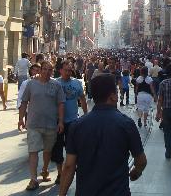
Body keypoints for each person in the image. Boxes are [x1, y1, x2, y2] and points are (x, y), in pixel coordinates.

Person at [58, 74, 147, 196]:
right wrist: (136, 172)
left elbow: (69, 166)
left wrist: (61, 194)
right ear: (112, 97)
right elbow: (141, 161)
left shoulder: (77, 125)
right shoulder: (126, 124)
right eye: (116, 91)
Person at [18, 61, 65, 191]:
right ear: (40, 70)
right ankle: (33, 179)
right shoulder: (31, 84)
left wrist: (61, 121)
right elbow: (24, 101)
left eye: (50, 70)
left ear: (52, 71)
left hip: (50, 124)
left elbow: (61, 103)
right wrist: (21, 119)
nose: (46, 72)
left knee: (47, 151)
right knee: (33, 151)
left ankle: (44, 170)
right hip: (33, 124)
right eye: (44, 69)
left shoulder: (56, 85)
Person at [51, 60, 88, 184]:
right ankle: (60, 173)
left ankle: (70, 169)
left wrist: (86, 114)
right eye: (65, 70)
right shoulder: (55, 83)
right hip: (57, 121)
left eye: (69, 70)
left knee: (72, 148)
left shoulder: (76, 83)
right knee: (57, 148)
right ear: (60, 70)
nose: (67, 72)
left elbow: (82, 99)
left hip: (73, 121)